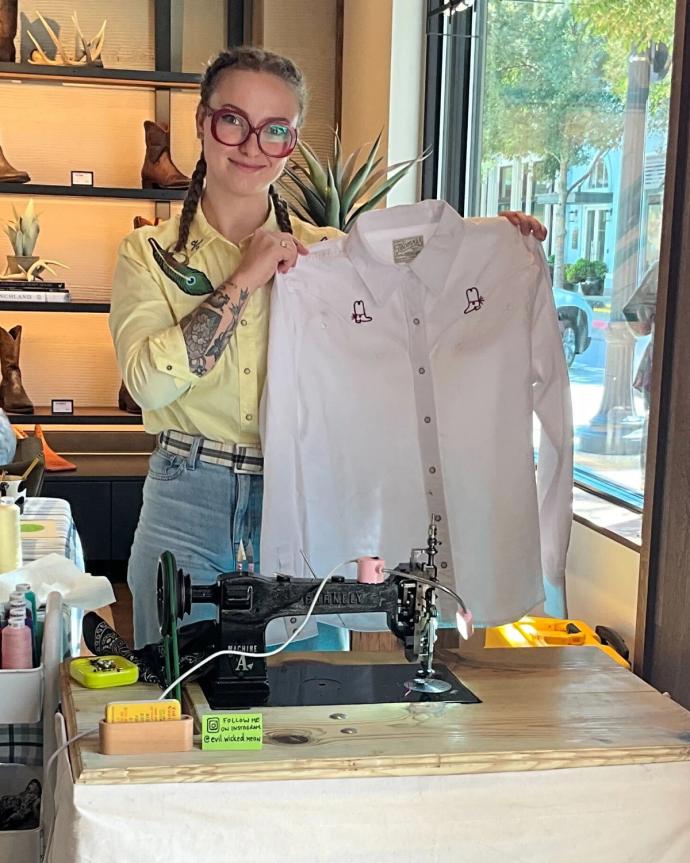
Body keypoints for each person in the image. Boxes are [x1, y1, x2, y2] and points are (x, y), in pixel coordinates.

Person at [109, 46, 547, 650]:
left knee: (311, 706)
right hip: (188, 499)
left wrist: (493, 245)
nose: (251, 146)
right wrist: (245, 278)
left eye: (276, 131)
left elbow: (416, 320)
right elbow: (148, 385)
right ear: (203, 122)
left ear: (291, 144)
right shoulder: (149, 253)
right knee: (180, 701)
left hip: (306, 494)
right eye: (233, 120)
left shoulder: (330, 257)